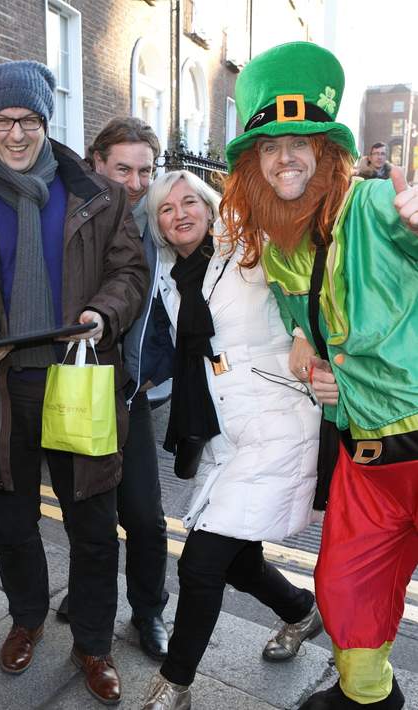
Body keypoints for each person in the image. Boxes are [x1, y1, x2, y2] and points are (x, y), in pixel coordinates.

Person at [221, 41, 418, 709]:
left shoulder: (368, 206)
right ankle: (369, 697)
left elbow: (409, 232)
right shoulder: (279, 247)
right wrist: (307, 360)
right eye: (270, 146)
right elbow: (303, 329)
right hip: (366, 459)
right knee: (341, 592)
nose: (285, 157)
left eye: (301, 141)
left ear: (328, 152)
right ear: (253, 163)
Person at [0, 60, 148, 706]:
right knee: (12, 525)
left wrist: (103, 314)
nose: (14, 134)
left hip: (77, 382)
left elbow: (131, 275)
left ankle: (93, 643)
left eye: (27, 120)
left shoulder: (96, 192)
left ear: (45, 120)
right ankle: (27, 618)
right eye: (1, 121)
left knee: (92, 525)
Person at [139, 170, 322, 710]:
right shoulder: (169, 279)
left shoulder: (248, 247)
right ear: (159, 225)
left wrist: (302, 333)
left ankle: (175, 683)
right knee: (236, 560)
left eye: (189, 201)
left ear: (210, 205)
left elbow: (311, 282)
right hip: (224, 435)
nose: (180, 214)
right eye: (166, 210)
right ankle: (299, 610)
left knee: (200, 563)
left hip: (277, 421)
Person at [61, 117, 171, 661]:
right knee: (89, 512)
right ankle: (86, 595)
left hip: (134, 393)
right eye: (122, 168)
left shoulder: (164, 224)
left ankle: (148, 611)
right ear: (96, 164)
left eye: (145, 170)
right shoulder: (76, 217)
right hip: (84, 389)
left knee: (147, 516)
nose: (134, 182)